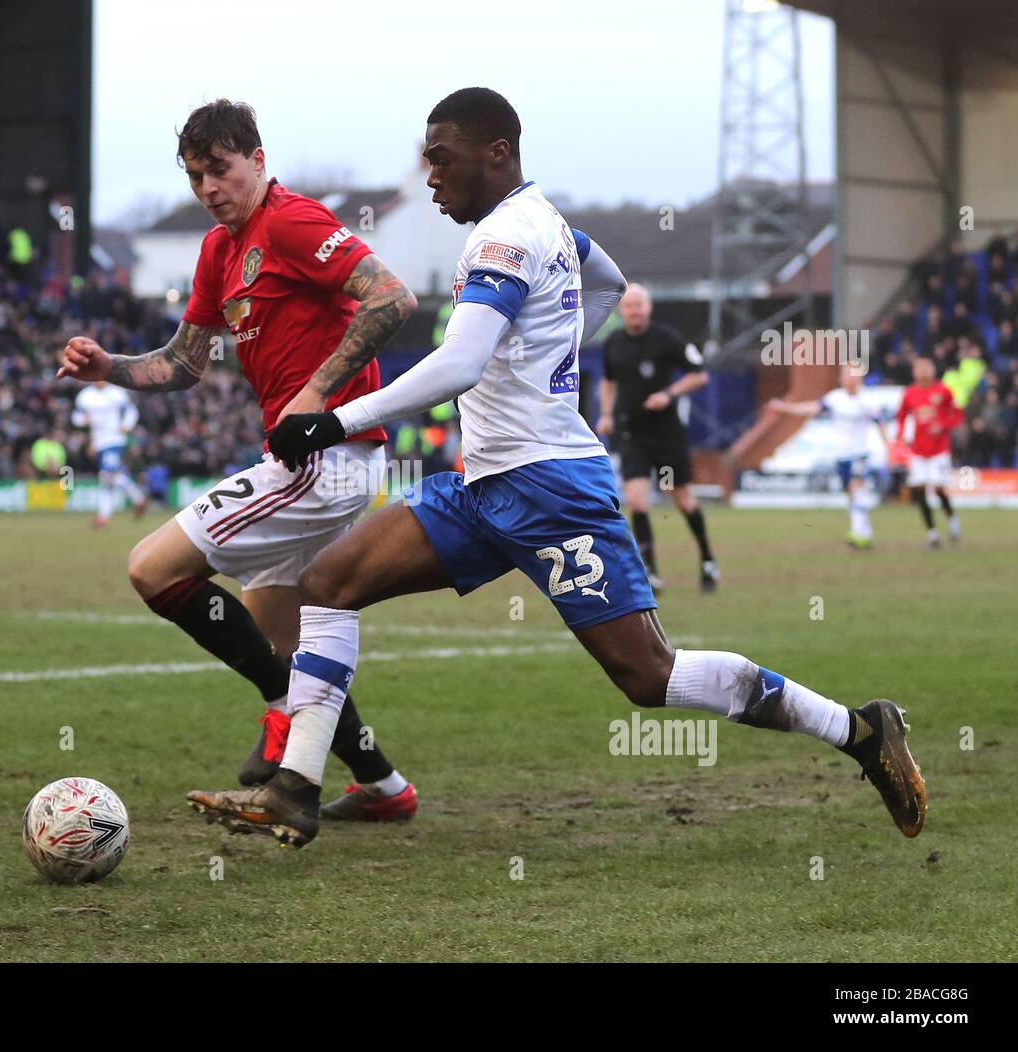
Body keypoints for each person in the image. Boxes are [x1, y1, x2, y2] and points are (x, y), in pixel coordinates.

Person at [185, 87, 926, 849]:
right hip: (482, 489)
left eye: (442, 160)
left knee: (649, 677)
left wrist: (334, 420)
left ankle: (859, 729)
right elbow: (605, 283)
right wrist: (550, 356)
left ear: (496, 152)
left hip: (549, 490)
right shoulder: (553, 228)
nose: (431, 177)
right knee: (328, 584)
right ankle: (296, 788)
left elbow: (461, 363)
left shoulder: (505, 236)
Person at [56, 100, 420, 819]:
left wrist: (317, 393)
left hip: (326, 457)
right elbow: (183, 363)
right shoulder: (220, 251)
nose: (207, 189)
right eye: (194, 177)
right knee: (280, 639)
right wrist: (108, 367)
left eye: (218, 170)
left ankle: (286, 715)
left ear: (256, 159)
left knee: (152, 567)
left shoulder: (290, 221)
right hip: (308, 461)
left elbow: (392, 298)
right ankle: (383, 787)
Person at [598, 285, 717, 592]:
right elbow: (608, 383)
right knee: (637, 500)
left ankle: (707, 558)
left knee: (682, 499)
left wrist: (669, 393)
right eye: (629, 306)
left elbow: (699, 374)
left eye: (639, 305)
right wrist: (607, 414)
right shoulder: (613, 343)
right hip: (631, 433)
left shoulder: (667, 339)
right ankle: (649, 571)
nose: (634, 311)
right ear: (621, 311)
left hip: (667, 433)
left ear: (648, 308)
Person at [768, 364, 888, 548]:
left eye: (851, 374)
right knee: (851, 494)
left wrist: (889, 448)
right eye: (845, 374)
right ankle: (865, 530)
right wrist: (785, 408)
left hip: (860, 454)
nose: (848, 378)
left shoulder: (868, 400)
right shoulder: (836, 398)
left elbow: (880, 424)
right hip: (842, 456)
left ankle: (858, 533)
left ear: (859, 378)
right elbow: (811, 408)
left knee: (857, 488)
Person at [897, 356, 963, 548]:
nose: (924, 372)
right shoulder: (909, 393)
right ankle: (932, 534)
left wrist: (942, 425)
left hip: (939, 450)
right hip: (918, 451)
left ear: (933, 370)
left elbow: (957, 414)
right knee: (918, 490)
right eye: (920, 368)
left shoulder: (943, 390)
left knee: (938, 488)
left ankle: (951, 519)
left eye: (927, 368)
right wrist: (902, 434)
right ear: (914, 371)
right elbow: (901, 417)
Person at [71, 381, 149, 528]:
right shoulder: (85, 396)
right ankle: (136, 501)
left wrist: (127, 425)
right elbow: (76, 417)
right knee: (107, 478)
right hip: (98, 442)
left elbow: (131, 411)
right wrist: (83, 420)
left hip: (114, 440)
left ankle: (109, 513)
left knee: (108, 474)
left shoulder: (117, 393)